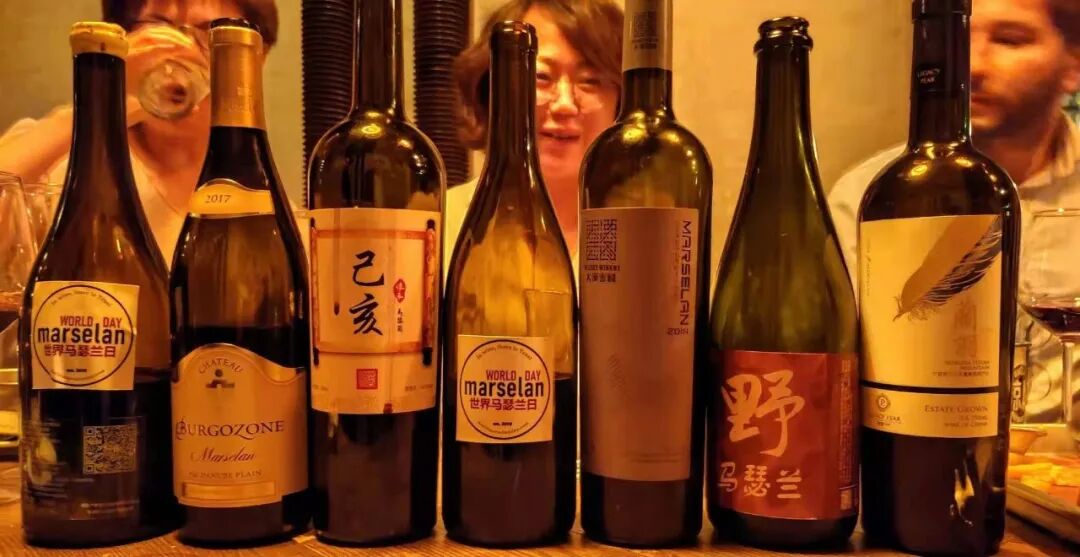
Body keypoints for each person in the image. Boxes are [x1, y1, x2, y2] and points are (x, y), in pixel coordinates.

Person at [828, 0, 1080, 422]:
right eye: (959, 38)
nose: (972, 65)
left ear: (1073, 64)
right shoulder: (870, 197)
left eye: (1009, 40)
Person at [0, 0, 279, 265]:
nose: (183, 50)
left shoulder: (262, 196)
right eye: (158, 26)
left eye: (209, 33)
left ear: (254, 58)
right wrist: (104, 102)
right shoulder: (58, 157)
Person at [446, 0, 623, 268]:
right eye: (541, 76)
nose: (565, 104)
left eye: (590, 80)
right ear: (490, 90)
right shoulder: (438, 225)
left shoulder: (650, 230)